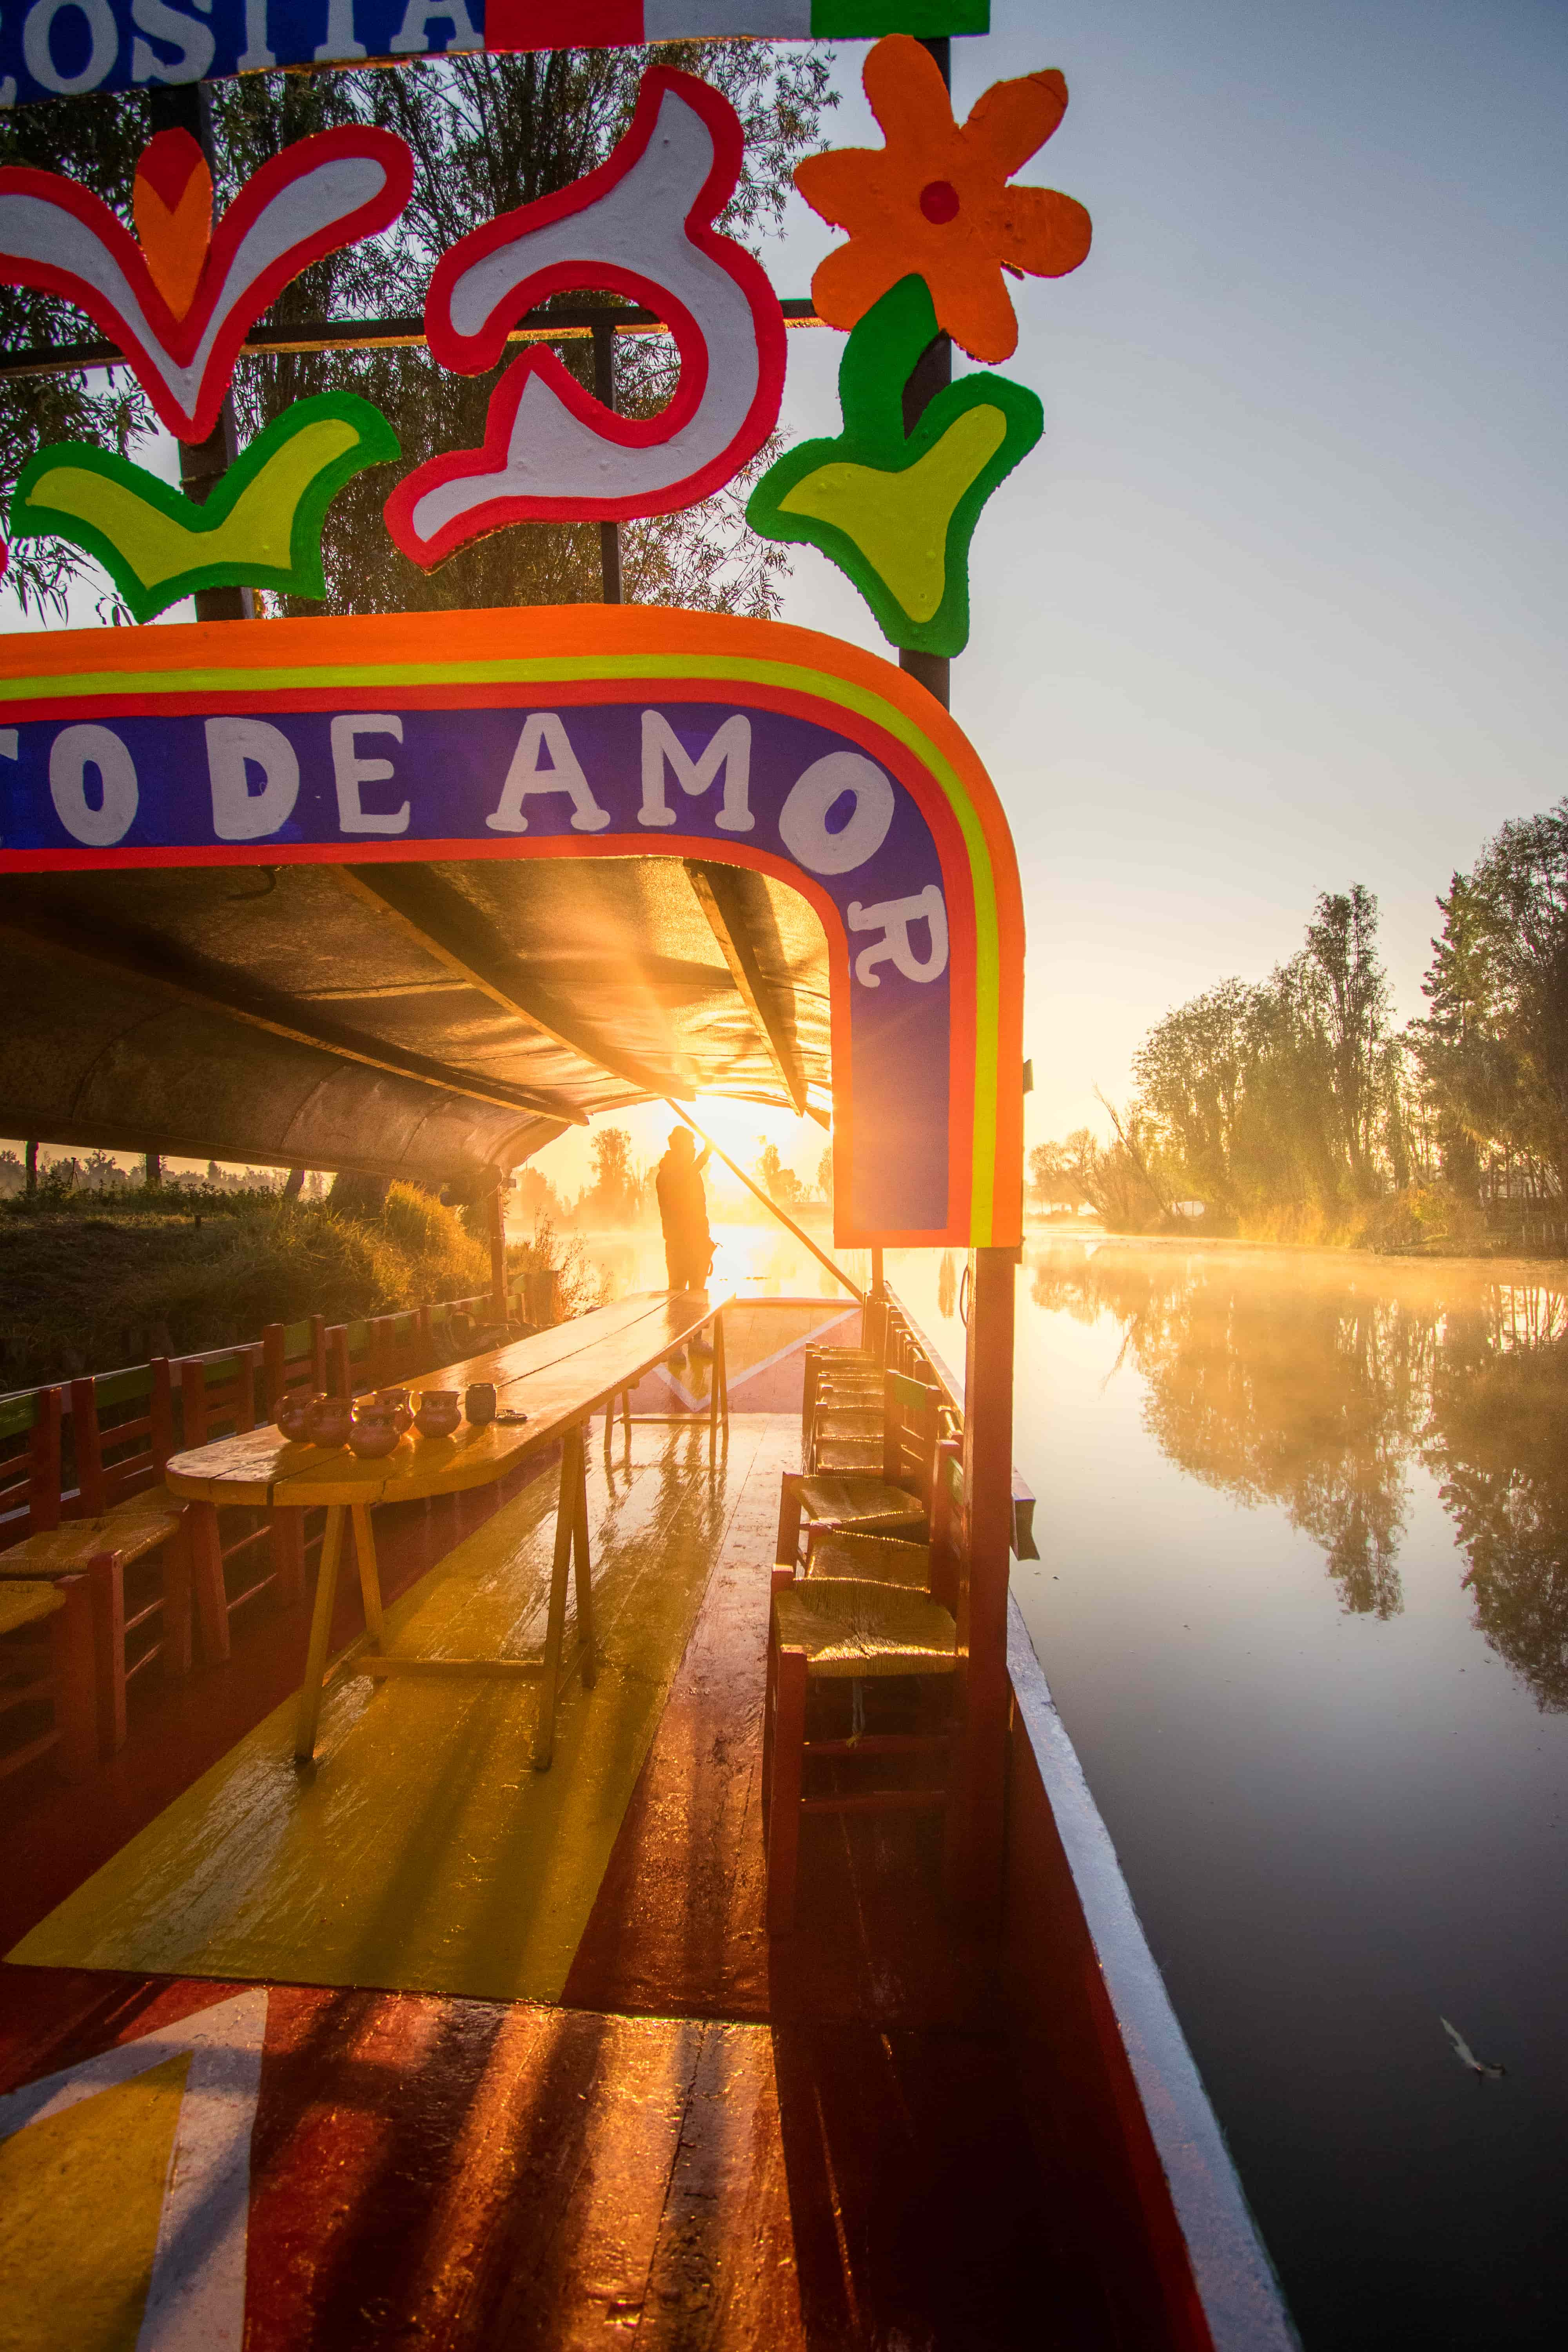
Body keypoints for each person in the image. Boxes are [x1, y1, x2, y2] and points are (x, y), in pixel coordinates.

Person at [655, 1127, 714, 1359]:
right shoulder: (669, 1173)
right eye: (690, 1145)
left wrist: (706, 1239)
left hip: (698, 1243)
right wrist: (708, 1153)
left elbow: (699, 1207)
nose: (693, 1149)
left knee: (698, 1296)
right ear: (677, 1148)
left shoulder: (689, 1171)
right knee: (678, 1296)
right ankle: (675, 1346)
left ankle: (696, 1343)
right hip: (679, 1244)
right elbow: (684, 1178)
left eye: (694, 1146)